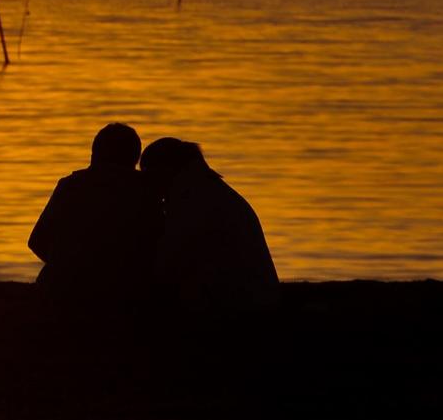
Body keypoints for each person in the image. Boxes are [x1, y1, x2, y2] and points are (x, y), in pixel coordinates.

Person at [28, 122, 163, 310]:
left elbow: (37, 241)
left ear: (94, 154)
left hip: (63, 293)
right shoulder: (147, 190)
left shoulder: (70, 186)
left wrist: (68, 266)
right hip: (125, 297)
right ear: (135, 158)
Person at [139, 137, 279, 312]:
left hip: (237, 310)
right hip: (253, 302)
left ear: (165, 170)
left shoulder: (194, 201)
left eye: (149, 175)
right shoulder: (212, 191)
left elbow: (166, 266)